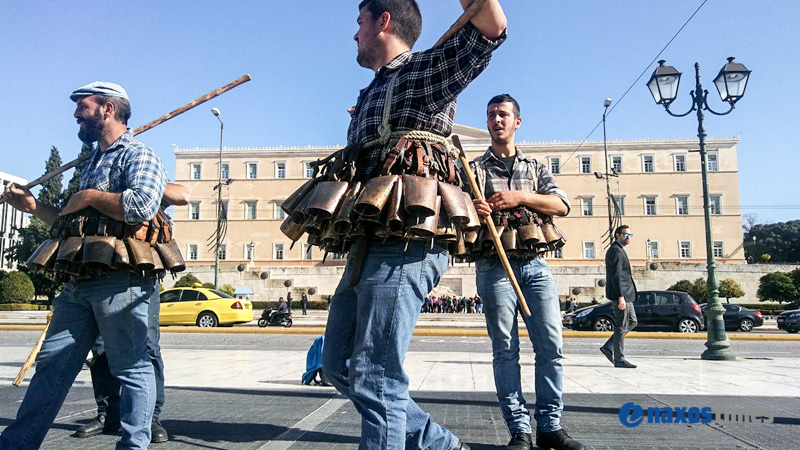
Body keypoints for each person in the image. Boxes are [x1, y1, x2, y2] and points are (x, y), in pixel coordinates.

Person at [321, 1, 507, 449]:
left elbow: (492, 26)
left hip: (408, 240)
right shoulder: (371, 92)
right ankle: (439, 444)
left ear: (383, 21)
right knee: (339, 365)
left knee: (375, 373)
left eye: (359, 22)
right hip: (367, 242)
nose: (354, 34)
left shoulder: (426, 72)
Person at [0, 81, 167, 449]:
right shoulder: (92, 162)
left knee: (132, 368)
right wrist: (32, 208)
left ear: (107, 109)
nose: (76, 114)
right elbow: (70, 222)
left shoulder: (139, 155)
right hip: (79, 282)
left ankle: (133, 445)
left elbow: (140, 206)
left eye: (83, 106)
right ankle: (17, 444)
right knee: (53, 365)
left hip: (121, 281)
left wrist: (88, 195)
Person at [469, 94, 584, 450]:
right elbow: (456, 212)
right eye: (491, 115)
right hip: (494, 266)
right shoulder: (473, 170)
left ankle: (550, 426)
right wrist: (473, 209)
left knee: (551, 345)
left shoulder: (535, 167)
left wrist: (520, 197)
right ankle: (519, 429)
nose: (496, 120)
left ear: (517, 121)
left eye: (503, 114)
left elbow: (561, 204)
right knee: (505, 350)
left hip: (535, 265)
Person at [74, 183, 189, 444]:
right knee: (101, 347)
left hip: (141, 276)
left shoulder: (143, 178)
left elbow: (182, 195)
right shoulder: (97, 180)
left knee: (148, 347)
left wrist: (134, 188)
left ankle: (151, 417)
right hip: (100, 271)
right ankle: (108, 413)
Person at [600, 225, 638, 369]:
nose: (628, 238)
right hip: (621, 294)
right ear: (617, 235)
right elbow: (616, 276)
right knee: (621, 326)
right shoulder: (615, 251)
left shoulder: (620, 249)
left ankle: (608, 347)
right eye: (625, 235)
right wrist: (620, 296)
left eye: (630, 235)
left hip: (627, 294)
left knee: (632, 321)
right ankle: (619, 359)